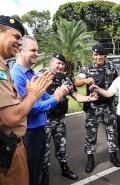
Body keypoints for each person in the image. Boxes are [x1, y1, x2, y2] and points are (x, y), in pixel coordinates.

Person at [0, 15, 52, 185]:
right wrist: (32, 96)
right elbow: (10, 117)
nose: (18, 42)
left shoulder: (5, 66)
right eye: (15, 37)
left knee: (36, 170)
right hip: (11, 144)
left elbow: (14, 103)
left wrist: (29, 95)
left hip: (17, 142)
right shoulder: (12, 71)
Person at [11, 35, 69, 185]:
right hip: (29, 133)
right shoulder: (17, 75)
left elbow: (43, 97)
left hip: (40, 129)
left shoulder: (31, 73)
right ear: (20, 51)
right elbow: (28, 108)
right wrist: (55, 98)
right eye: (33, 50)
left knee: (38, 169)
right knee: (30, 173)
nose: (37, 53)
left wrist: (58, 94)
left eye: (37, 50)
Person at [41, 53, 98, 185]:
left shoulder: (65, 78)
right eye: (58, 63)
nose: (61, 66)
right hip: (45, 121)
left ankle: (65, 169)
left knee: (62, 147)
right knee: (45, 150)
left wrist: (89, 98)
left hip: (60, 120)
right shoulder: (43, 76)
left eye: (62, 64)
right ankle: (44, 176)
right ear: (51, 63)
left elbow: (76, 95)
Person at [75, 43, 120, 173]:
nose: (99, 57)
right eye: (96, 54)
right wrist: (85, 80)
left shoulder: (111, 66)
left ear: (104, 55)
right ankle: (90, 160)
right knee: (91, 134)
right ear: (93, 55)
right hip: (93, 107)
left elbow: (119, 81)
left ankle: (113, 156)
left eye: (101, 54)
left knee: (112, 132)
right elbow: (77, 82)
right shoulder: (87, 68)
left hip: (109, 106)